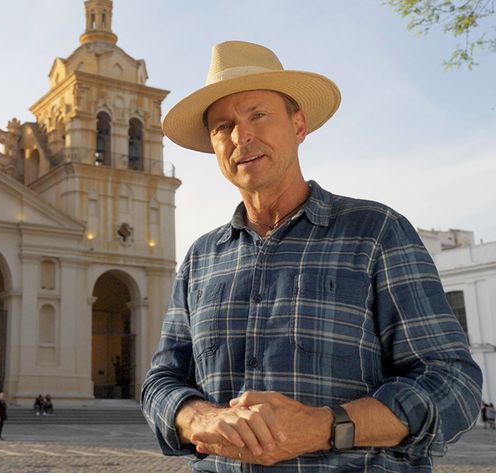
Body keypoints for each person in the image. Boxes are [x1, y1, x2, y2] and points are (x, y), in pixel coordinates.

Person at [141, 41, 483, 471]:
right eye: (222, 126)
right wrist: (199, 417)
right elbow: (161, 382)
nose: (240, 136)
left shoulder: (376, 232)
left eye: (258, 115)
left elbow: (453, 382)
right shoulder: (200, 259)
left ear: (298, 125)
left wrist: (324, 426)